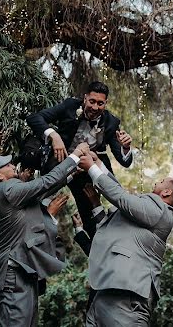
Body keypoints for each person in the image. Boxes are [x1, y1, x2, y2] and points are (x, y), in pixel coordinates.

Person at [0, 147, 93, 326]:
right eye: (6, 164)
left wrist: (70, 173)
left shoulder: (9, 194)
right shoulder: (6, 189)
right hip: (14, 274)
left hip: (22, 273)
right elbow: (44, 183)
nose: (12, 165)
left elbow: (42, 190)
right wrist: (75, 154)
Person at [78, 153, 173, 327]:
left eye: (162, 180)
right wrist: (99, 164)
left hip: (127, 299)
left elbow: (121, 197)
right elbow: (110, 228)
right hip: (105, 292)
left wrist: (91, 168)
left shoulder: (161, 211)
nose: (157, 181)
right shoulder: (143, 212)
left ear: (167, 192)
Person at [25, 81, 135, 235]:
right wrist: (54, 136)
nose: (95, 107)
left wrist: (126, 147)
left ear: (106, 103)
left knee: (90, 216)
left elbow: (125, 161)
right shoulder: (70, 106)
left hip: (85, 171)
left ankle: (99, 244)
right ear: (84, 99)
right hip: (60, 161)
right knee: (40, 196)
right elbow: (34, 118)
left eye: (100, 103)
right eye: (92, 101)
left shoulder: (111, 122)